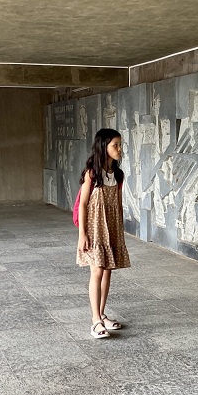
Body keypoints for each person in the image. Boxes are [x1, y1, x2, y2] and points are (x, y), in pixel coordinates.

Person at [76, 128, 130, 338]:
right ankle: (95, 320)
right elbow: (83, 204)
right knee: (97, 271)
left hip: (112, 227)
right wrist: (82, 234)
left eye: (120, 145)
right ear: (103, 147)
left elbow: (118, 204)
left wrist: (120, 231)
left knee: (107, 270)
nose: (119, 149)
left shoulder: (118, 175)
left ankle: (102, 314)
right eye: (115, 145)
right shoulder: (92, 174)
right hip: (95, 228)